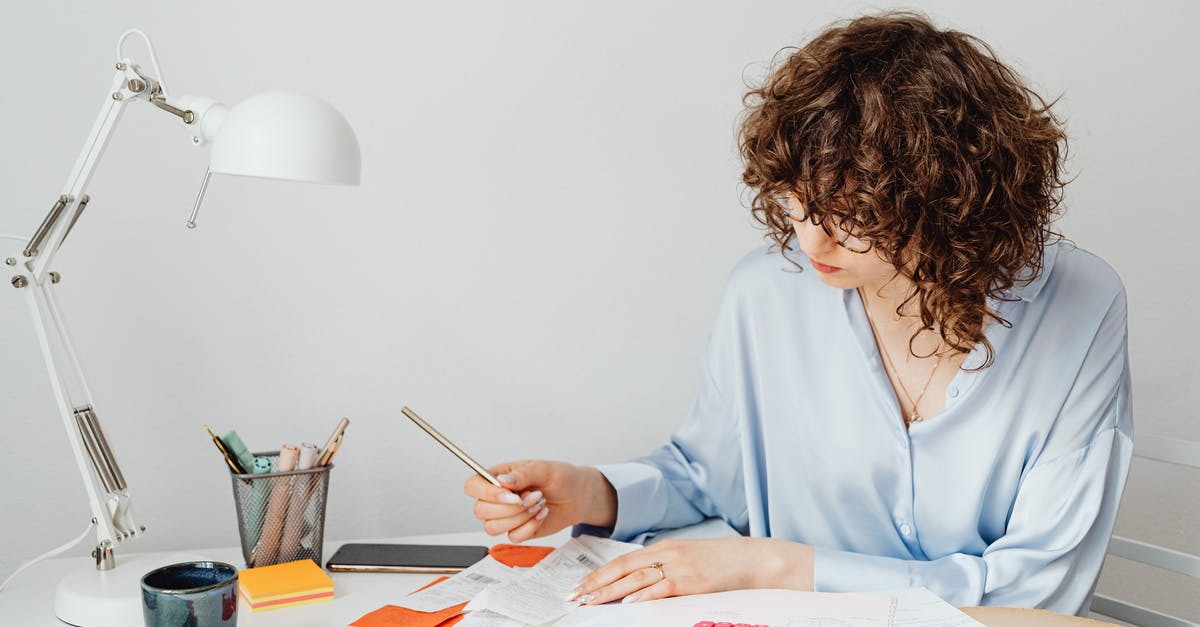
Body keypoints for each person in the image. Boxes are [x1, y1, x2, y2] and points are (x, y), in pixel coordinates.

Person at [464, 11, 1132, 616]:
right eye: (796, 202)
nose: (813, 241)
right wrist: (593, 492)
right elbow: (711, 477)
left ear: (949, 199)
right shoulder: (766, 293)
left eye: (854, 214)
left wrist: (778, 564)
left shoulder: (1080, 306)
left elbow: (1038, 593)